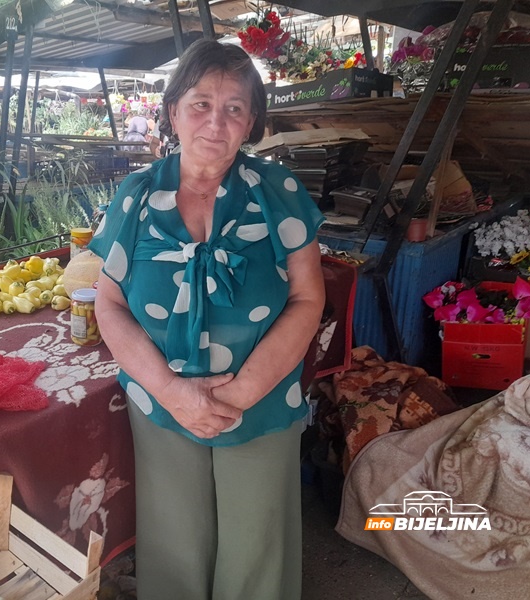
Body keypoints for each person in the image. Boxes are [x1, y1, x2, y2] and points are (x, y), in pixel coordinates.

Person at [87, 39, 325, 600]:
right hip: (161, 403)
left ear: (251, 123)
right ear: (173, 112)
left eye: (234, 107)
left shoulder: (279, 193)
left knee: (254, 544)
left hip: (262, 400)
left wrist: (240, 393)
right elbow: (109, 304)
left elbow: (307, 300)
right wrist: (172, 392)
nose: (215, 121)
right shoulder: (137, 196)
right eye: (200, 103)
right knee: (175, 542)